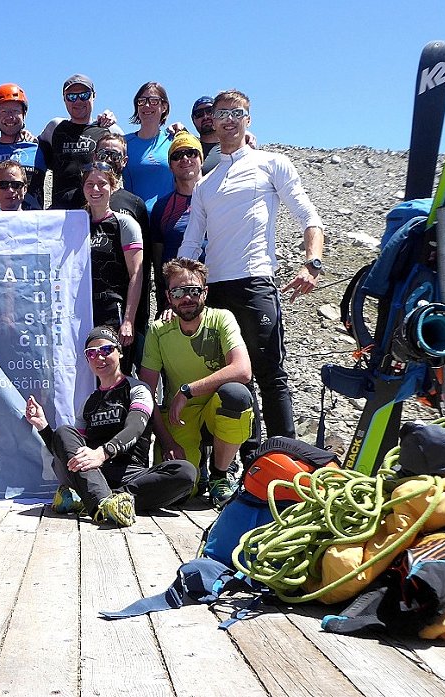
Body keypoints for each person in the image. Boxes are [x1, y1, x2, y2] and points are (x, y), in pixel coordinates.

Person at [177, 89, 324, 452]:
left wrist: (312, 263)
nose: (228, 119)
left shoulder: (272, 163)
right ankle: (240, 466)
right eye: (221, 113)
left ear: (248, 119)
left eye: (236, 112)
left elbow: (309, 217)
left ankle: (289, 463)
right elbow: (191, 244)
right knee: (228, 382)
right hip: (215, 291)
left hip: (256, 282)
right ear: (211, 120)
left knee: (269, 375)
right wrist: (176, 288)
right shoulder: (205, 184)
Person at [24, 326, 195, 527]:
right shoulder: (88, 402)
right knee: (64, 432)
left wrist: (103, 452)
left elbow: (135, 427)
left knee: (185, 472)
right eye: (92, 353)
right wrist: (43, 426)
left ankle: (94, 500)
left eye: (106, 350)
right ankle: (105, 504)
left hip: (131, 475)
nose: (99, 357)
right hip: (92, 473)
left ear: (119, 352)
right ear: (87, 360)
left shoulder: (138, 389)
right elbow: (69, 451)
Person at [139, 258, 254, 507]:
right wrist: (167, 441)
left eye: (193, 291)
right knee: (178, 489)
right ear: (168, 297)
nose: (186, 298)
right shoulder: (159, 330)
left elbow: (243, 370)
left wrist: (188, 390)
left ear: (205, 292)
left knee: (237, 395)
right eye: (178, 292)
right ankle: (198, 469)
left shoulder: (223, 319)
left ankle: (220, 475)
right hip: (179, 417)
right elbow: (146, 392)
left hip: (214, 407)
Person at [82, 163, 143, 353]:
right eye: (90, 184)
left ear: (113, 186)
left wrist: (128, 321)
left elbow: (136, 274)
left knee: (114, 370)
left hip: (113, 310)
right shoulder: (76, 222)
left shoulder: (124, 223)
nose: (96, 189)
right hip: (82, 310)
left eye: (102, 184)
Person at [39, 74, 124, 207]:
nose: (78, 101)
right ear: (64, 99)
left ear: (94, 96)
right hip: (61, 212)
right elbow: (32, 149)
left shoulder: (110, 130)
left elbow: (125, 165)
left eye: (84, 95)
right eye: (72, 97)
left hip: (97, 212)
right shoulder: (55, 127)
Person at [149, 132, 204, 311]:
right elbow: (158, 262)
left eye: (191, 152)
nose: (185, 159)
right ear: (170, 166)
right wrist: (164, 302)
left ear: (201, 159)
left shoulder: (219, 199)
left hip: (219, 292)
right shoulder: (162, 207)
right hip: (179, 299)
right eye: (177, 156)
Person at [0, 83, 47, 208]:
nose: (10, 117)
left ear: (24, 115)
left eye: (15, 111)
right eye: (4, 112)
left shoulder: (40, 149)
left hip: (34, 225)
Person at [123, 82, 175, 214]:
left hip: (166, 220)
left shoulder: (173, 141)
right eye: (141, 101)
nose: (147, 105)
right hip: (133, 220)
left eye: (153, 101)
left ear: (164, 107)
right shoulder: (124, 143)